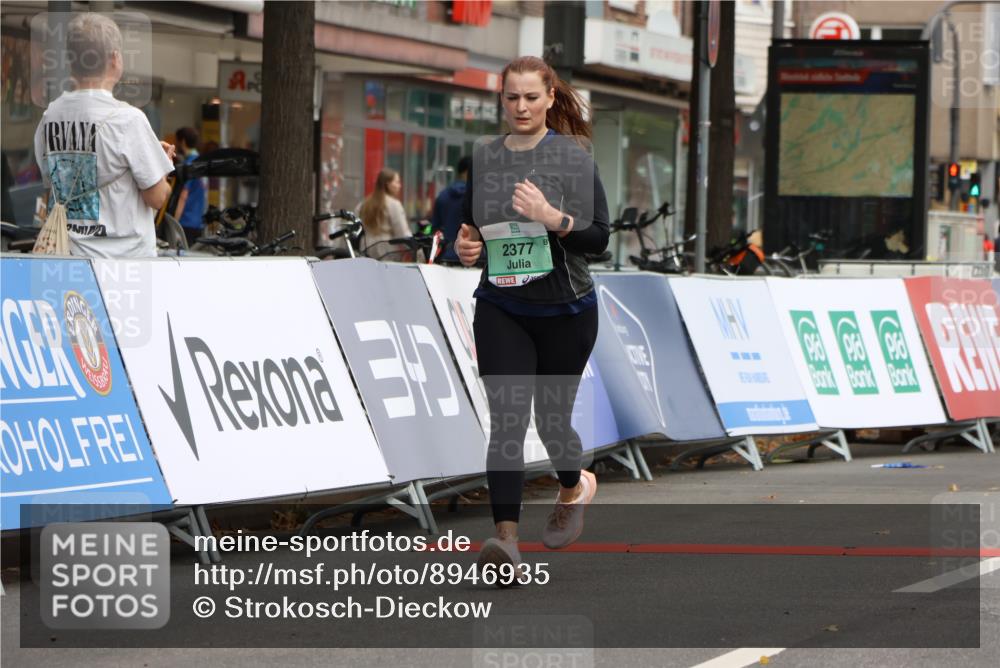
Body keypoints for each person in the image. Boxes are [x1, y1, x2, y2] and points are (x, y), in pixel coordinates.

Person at [455, 55, 610, 585]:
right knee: (507, 420)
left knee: (551, 422)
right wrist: (467, 245)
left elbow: (599, 240)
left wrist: (552, 219)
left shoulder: (573, 157)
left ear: (548, 99)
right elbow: (474, 227)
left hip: (566, 308)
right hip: (502, 303)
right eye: (511, 98)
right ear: (502, 100)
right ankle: (506, 541)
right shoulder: (485, 155)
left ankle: (574, 486)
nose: (520, 107)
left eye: (530, 97)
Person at [33, 13, 174, 258]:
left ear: (70, 60)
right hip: (125, 265)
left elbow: (52, 183)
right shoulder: (128, 120)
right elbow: (157, 198)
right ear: (115, 59)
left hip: (69, 256)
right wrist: (162, 165)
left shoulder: (50, 116)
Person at [358, 168, 410, 260]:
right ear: (388, 184)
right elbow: (402, 233)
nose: (400, 186)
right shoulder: (394, 204)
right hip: (386, 250)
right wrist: (415, 247)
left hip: (365, 247)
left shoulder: (364, 203)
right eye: (397, 182)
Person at [430, 155, 471, 263]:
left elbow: (435, 228)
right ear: (468, 172)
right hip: (470, 256)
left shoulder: (442, 196)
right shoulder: (476, 197)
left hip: (445, 255)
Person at [172, 127, 206, 247]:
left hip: (186, 222)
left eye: (177, 141)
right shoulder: (201, 163)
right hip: (198, 221)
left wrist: (174, 221)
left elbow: (183, 196)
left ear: (183, 141)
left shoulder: (189, 165)